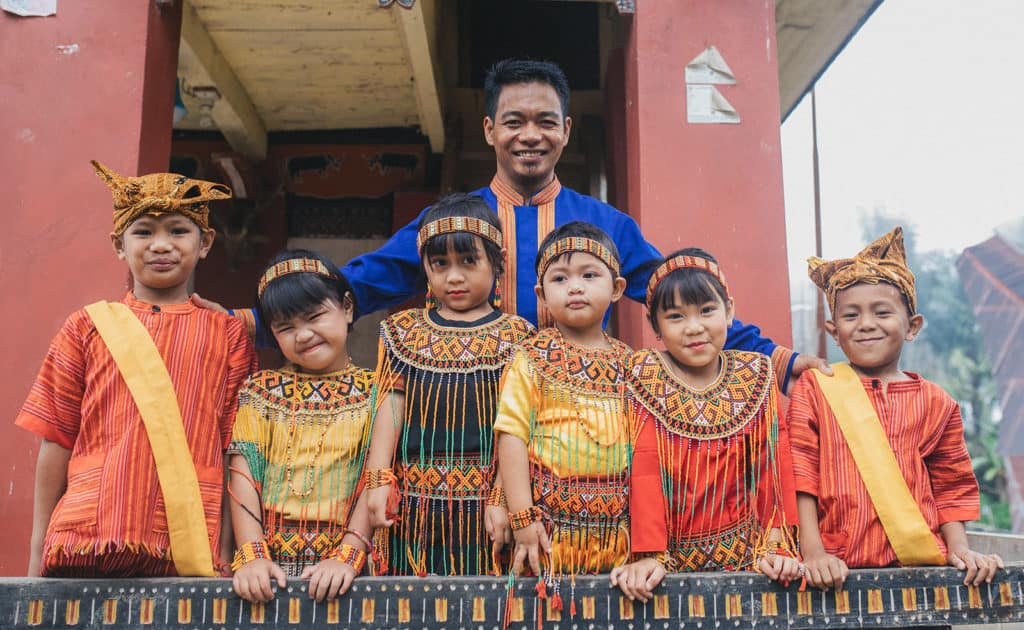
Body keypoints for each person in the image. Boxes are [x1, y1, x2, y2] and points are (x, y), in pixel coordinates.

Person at [209, 59, 822, 392]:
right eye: (514, 121)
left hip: (577, 411)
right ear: (489, 130)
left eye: (546, 121)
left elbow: (677, 295)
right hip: (466, 414)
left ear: (566, 131)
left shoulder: (604, 223)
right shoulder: (446, 224)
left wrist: (776, 357)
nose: (530, 134)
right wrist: (253, 323)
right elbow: (360, 284)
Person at [17, 161, 256, 577]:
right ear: (118, 244)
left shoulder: (229, 334)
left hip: (187, 540)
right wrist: (39, 547)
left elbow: (237, 449)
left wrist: (232, 553)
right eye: (143, 231)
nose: (161, 245)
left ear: (206, 243)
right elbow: (56, 439)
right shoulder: (86, 326)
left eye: (178, 231)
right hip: (89, 536)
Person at [789, 227, 1003, 591]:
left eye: (882, 312)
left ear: (912, 326)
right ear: (834, 331)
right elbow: (800, 475)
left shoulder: (938, 402)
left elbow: (951, 486)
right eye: (851, 315)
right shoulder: (817, 388)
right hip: (837, 569)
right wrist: (813, 553)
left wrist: (960, 550)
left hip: (921, 572)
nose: (867, 324)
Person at [610, 248, 800, 603]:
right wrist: (649, 553)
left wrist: (775, 546)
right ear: (656, 327)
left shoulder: (756, 373)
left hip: (749, 557)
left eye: (707, 311)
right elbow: (645, 468)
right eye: (676, 316)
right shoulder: (644, 373)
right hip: (668, 562)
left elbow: (772, 466)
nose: (694, 327)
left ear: (729, 310)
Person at [361, 193, 534, 576]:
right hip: (412, 506)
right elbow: (390, 408)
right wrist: (377, 480)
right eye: (440, 264)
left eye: (469, 261)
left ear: (498, 263)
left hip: (488, 507)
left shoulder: (519, 336)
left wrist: (505, 495)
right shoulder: (400, 332)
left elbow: (520, 426)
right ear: (425, 267)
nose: (454, 277)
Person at [495, 222, 632, 613]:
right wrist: (521, 519)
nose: (575, 287)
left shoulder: (633, 364)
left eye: (589, 275)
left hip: (617, 538)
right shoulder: (531, 357)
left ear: (617, 288)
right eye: (560, 278)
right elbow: (512, 435)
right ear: (541, 294)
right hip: (546, 535)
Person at [228, 250, 375, 603]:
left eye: (314, 317)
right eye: (286, 327)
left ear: (348, 308)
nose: (304, 335)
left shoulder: (378, 391)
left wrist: (349, 554)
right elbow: (243, 472)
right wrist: (252, 555)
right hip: (268, 572)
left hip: (350, 572)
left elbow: (377, 475)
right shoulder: (259, 391)